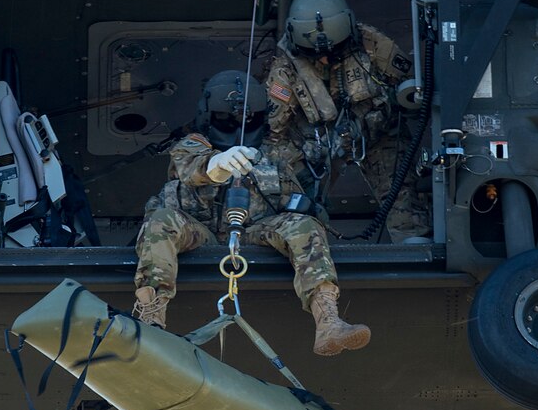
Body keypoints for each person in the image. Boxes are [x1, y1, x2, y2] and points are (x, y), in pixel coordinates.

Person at [131, 71, 370, 356]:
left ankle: (328, 320)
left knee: (305, 226)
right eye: (226, 118)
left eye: (249, 118)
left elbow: (302, 196)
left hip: (256, 232)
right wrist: (217, 164)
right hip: (199, 232)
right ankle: (151, 318)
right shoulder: (191, 144)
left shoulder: (278, 152)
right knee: (159, 222)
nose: (238, 125)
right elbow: (189, 169)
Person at [261, 0, 429, 242]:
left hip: (375, 134)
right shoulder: (285, 70)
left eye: (334, 52)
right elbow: (272, 132)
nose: (326, 60)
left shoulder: (372, 44)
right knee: (295, 195)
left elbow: (411, 88)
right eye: (318, 56)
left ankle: (412, 240)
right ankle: (303, 245)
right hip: (316, 144)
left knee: (400, 187)